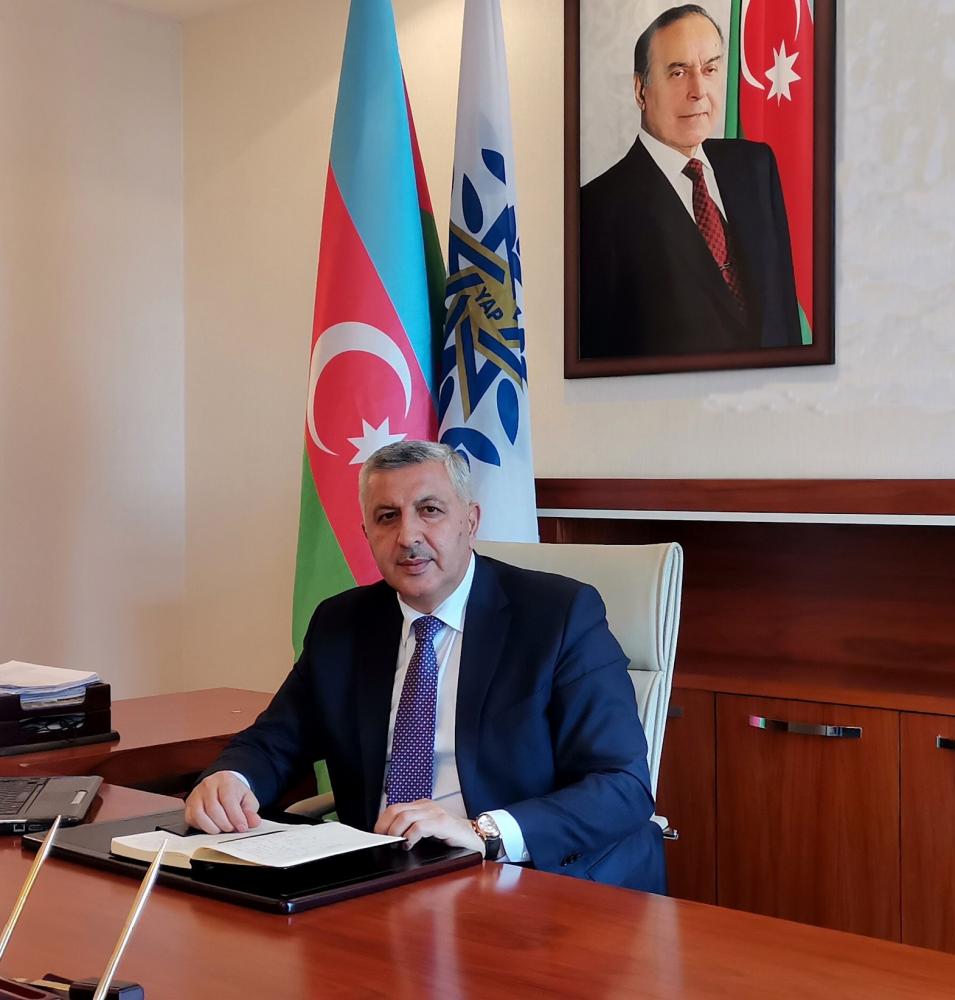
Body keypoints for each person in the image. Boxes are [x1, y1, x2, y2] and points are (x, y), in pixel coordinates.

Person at [185, 440, 665, 894]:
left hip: (519, 877)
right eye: (387, 517)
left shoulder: (558, 616)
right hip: (379, 878)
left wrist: (484, 832)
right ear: (366, 534)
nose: (408, 536)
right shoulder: (342, 623)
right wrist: (232, 780)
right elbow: (275, 740)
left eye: (430, 510)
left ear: (470, 521)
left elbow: (621, 786)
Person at [580, 4, 801, 359]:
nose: (699, 90)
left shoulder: (756, 167)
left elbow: (785, 314)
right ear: (640, 90)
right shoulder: (595, 210)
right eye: (678, 72)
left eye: (710, 69)